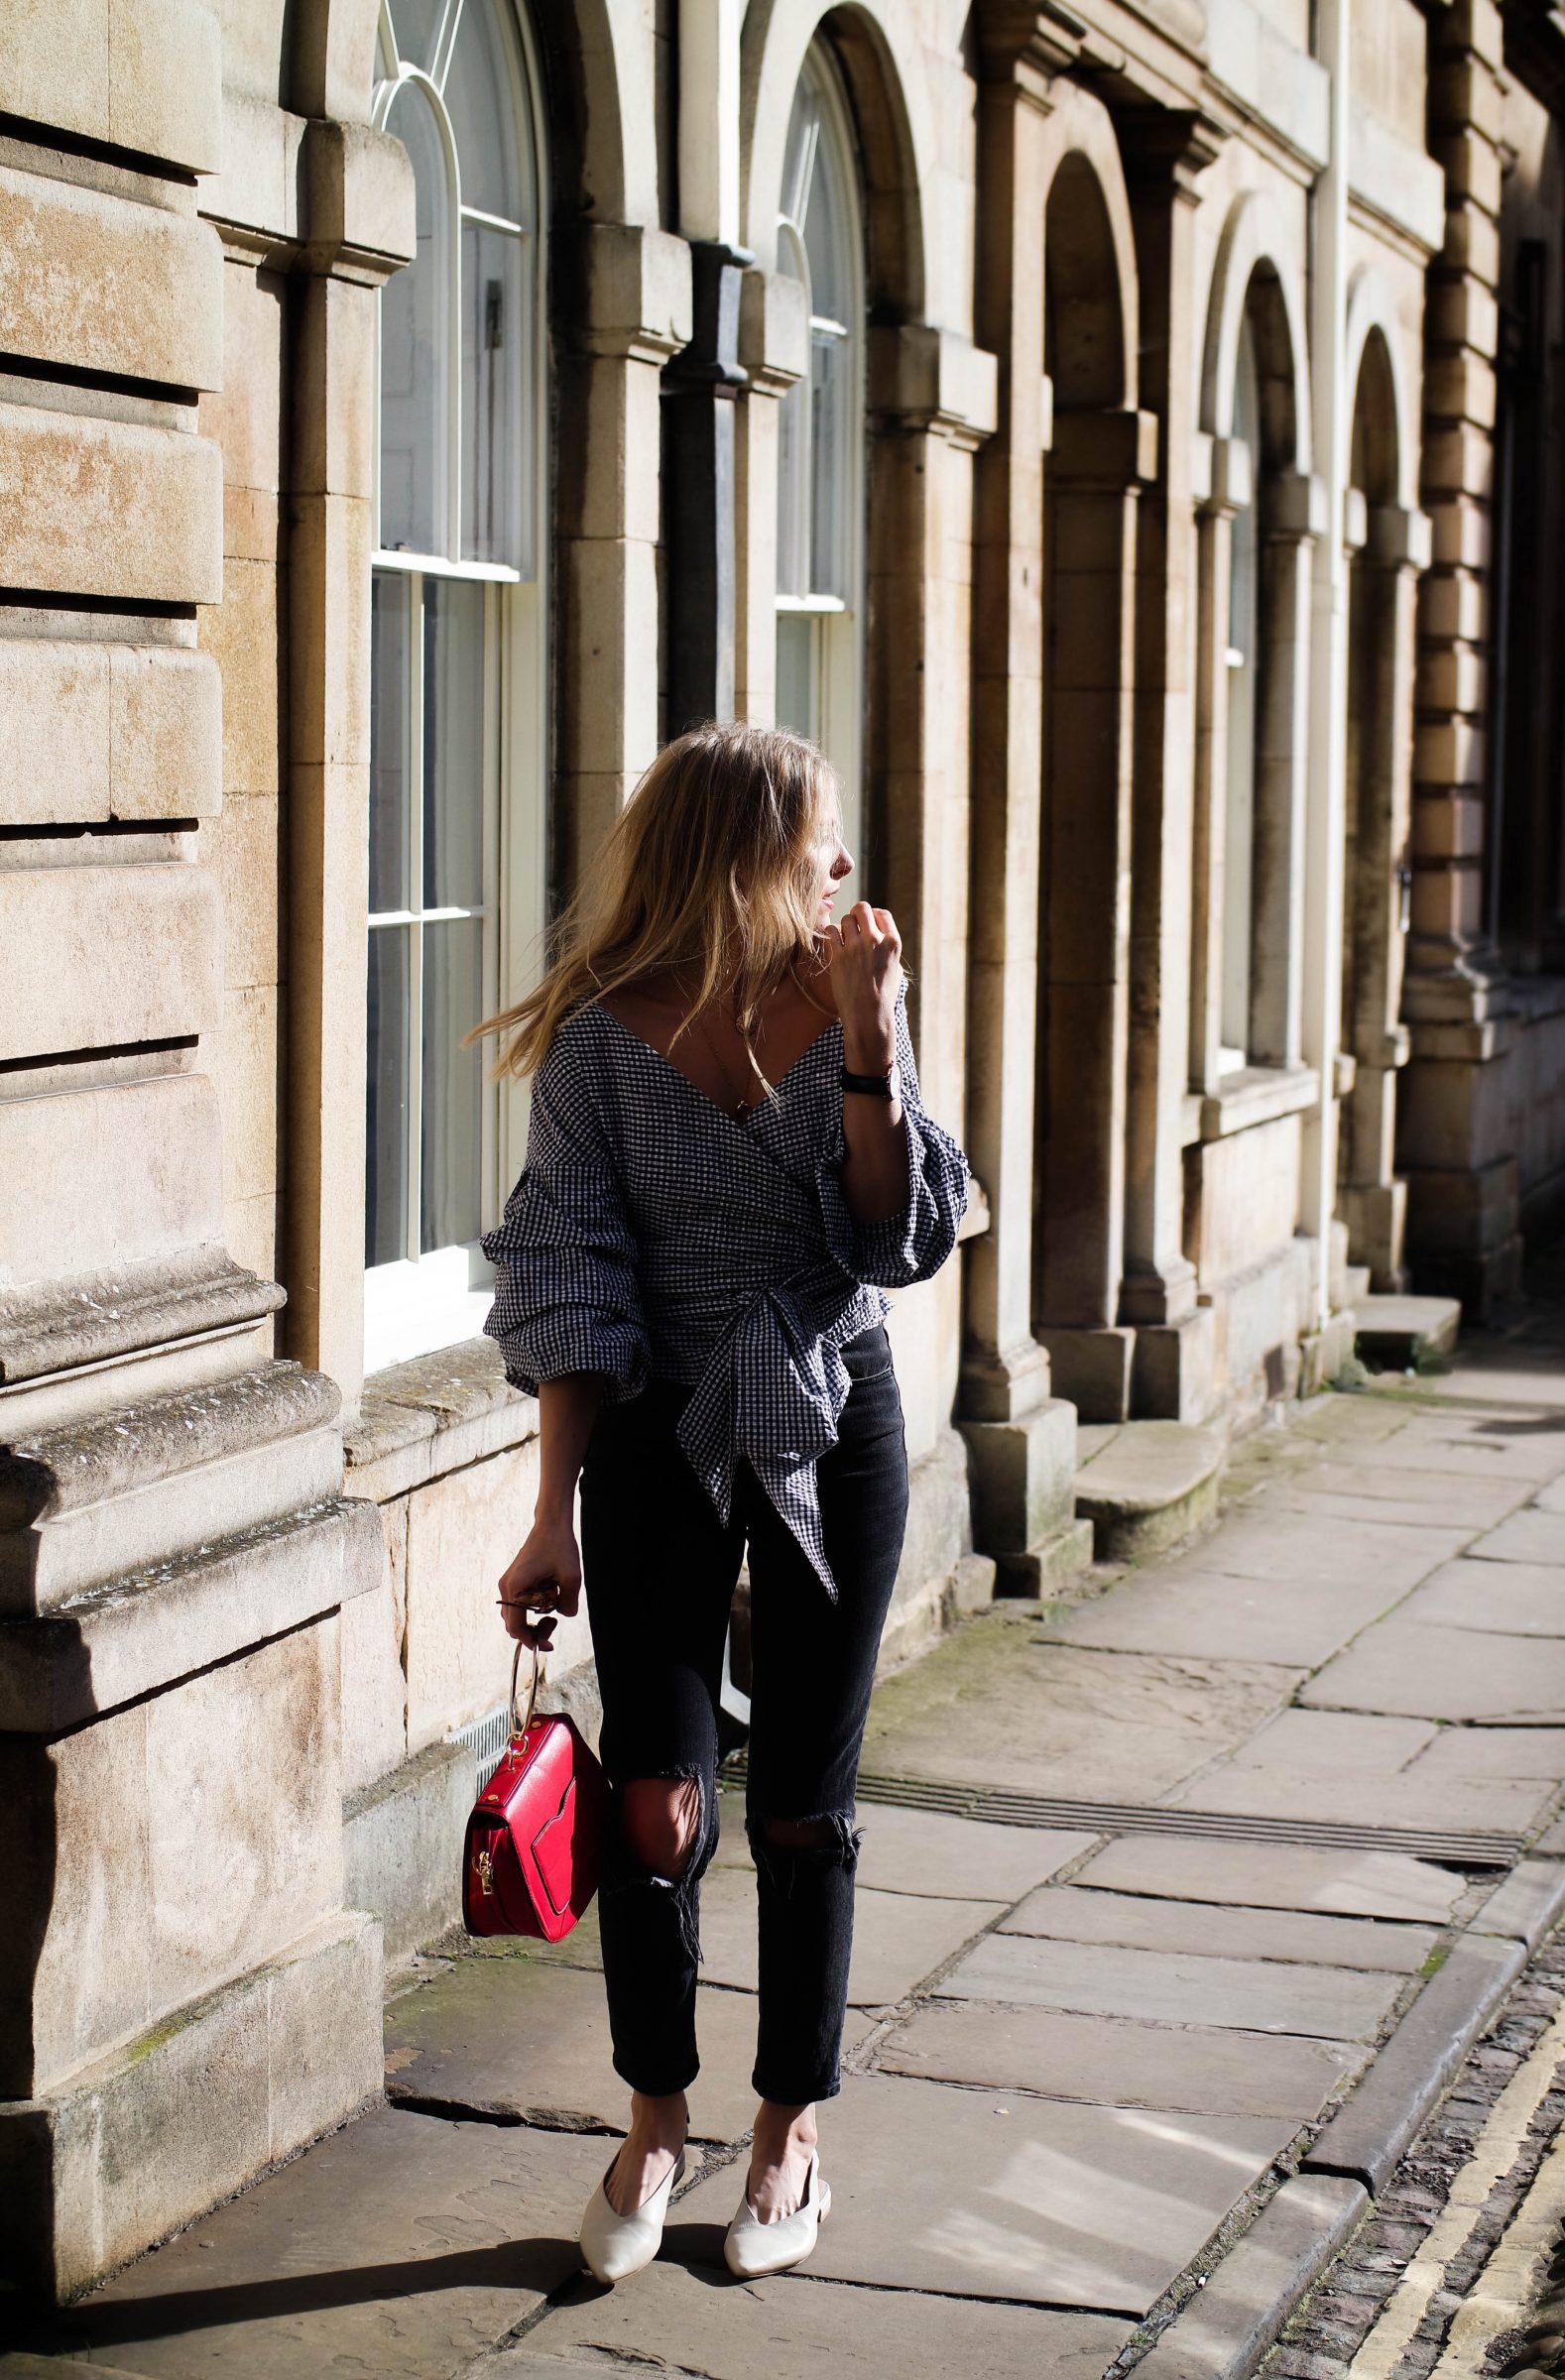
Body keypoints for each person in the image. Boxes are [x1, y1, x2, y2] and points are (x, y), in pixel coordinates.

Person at [475, 719, 970, 2285]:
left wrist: (876, 1042)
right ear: (746, 851)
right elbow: (570, 1277)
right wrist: (551, 1512)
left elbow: (899, 1244)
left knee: (807, 1810)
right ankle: (654, 2119)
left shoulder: (846, 1007)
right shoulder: (604, 1040)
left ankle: (786, 2141)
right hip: (655, 1433)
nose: (841, 868)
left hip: (835, 1415)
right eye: (818, 837)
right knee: (654, 1804)